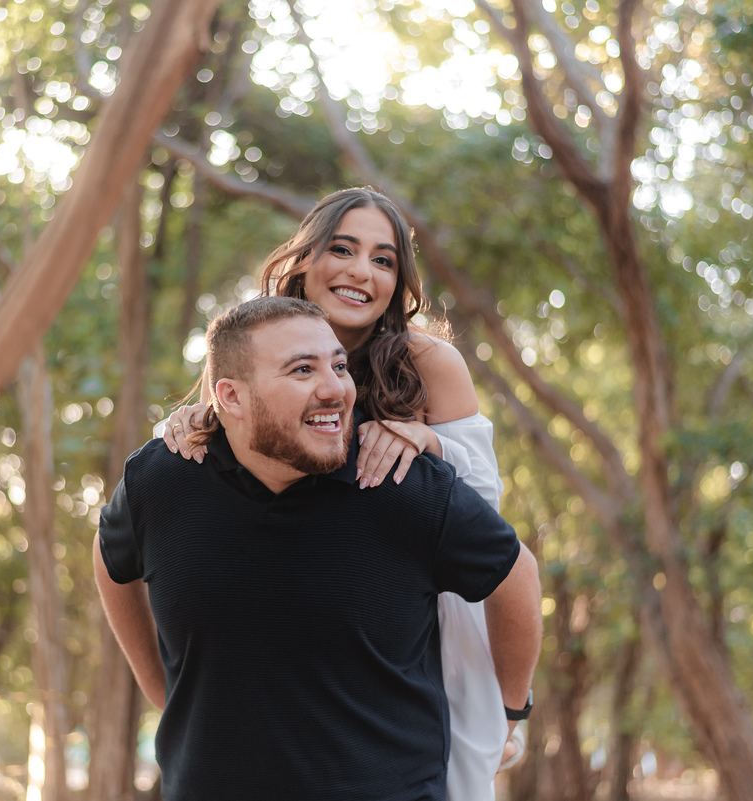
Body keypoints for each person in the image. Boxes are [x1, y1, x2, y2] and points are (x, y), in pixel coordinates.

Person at [96, 297, 541, 801]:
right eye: (302, 370)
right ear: (231, 397)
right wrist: (161, 687)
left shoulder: (398, 481)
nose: (335, 389)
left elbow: (515, 574)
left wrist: (508, 710)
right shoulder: (162, 480)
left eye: (338, 365)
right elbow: (109, 558)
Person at [162, 187, 523, 798]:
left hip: (421, 608)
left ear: (398, 281)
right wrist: (180, 424)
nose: (361, 271)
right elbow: (222, 425)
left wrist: (427, 443)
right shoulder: (254, 338)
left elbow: (485, 497)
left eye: (383, 260)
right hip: (294, 596)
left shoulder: (427, 361)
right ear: (304, 259)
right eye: (344, 249)